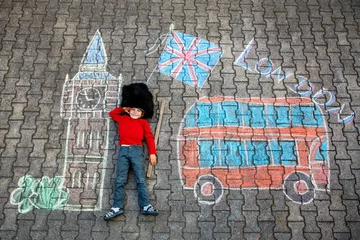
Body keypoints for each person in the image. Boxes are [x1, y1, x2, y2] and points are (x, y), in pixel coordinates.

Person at [104, 83, 158, 221]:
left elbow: (149, 138)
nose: (135, 112)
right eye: (133, 109)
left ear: (143, 113)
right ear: (129, 110)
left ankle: (146, 206)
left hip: (137, 150)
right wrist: (124, 108)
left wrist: (152, 152)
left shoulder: (143, 123)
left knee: (140, 179)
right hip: (123, 150)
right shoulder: (122, 118)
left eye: (138, 111)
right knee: (120, 180)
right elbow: (112, 114)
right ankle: (117, 207)